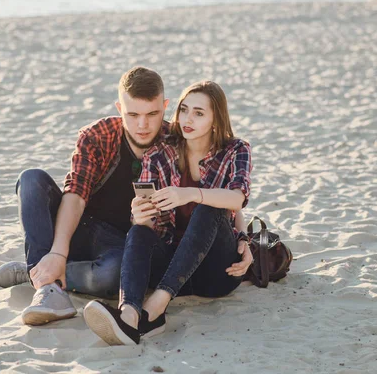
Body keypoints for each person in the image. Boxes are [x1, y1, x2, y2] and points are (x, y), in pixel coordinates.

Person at [0, 66, 170, 325]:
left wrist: (242, 237)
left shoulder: (175, 143)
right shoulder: (98, 135)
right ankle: (47, 288)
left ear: (164, 107)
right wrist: (58, 253)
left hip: (119, 245)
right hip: (77, 225)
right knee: (31, 179)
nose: (142, 125)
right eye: (133, 114)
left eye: (152, 114)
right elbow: (75, 195)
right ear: (120, 109)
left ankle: (33, 272)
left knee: (112, 275)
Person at [82, 80, 254, 345]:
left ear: (216, 118)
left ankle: (154, 309)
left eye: (199, 113)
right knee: (138, 230)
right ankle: (128, 316)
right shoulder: (158, 154)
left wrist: (190, 194)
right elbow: (149, 227)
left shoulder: (235, 150)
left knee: (208, 208)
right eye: (184, 110)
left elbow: (237, 198)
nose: (188, 119)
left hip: (216, 273)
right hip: (172, 268)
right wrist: (139, 216)